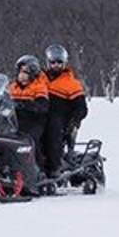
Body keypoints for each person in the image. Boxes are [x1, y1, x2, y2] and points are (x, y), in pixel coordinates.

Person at [41, 43, 88, 177]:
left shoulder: (71, 83)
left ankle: (54, 167)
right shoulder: (39, 79)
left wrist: (74, 121)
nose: (56, 65)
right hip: (39, 114)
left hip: (61, 118)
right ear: (47, 62)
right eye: (53, 62)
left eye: (59, 62)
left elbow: (81, 107)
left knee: (52, 128)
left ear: (65, 63)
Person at [9, 54, 50, 147]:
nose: (22, 75)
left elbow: (42, 106)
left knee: (30, 140)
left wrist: (26, 105)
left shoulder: (39, 86)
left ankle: (37, 160)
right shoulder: (12, 87)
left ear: (32, 73)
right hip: (15, 120)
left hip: (34, 121)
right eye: (20, 72)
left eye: (25, 72)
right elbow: (3, 99)